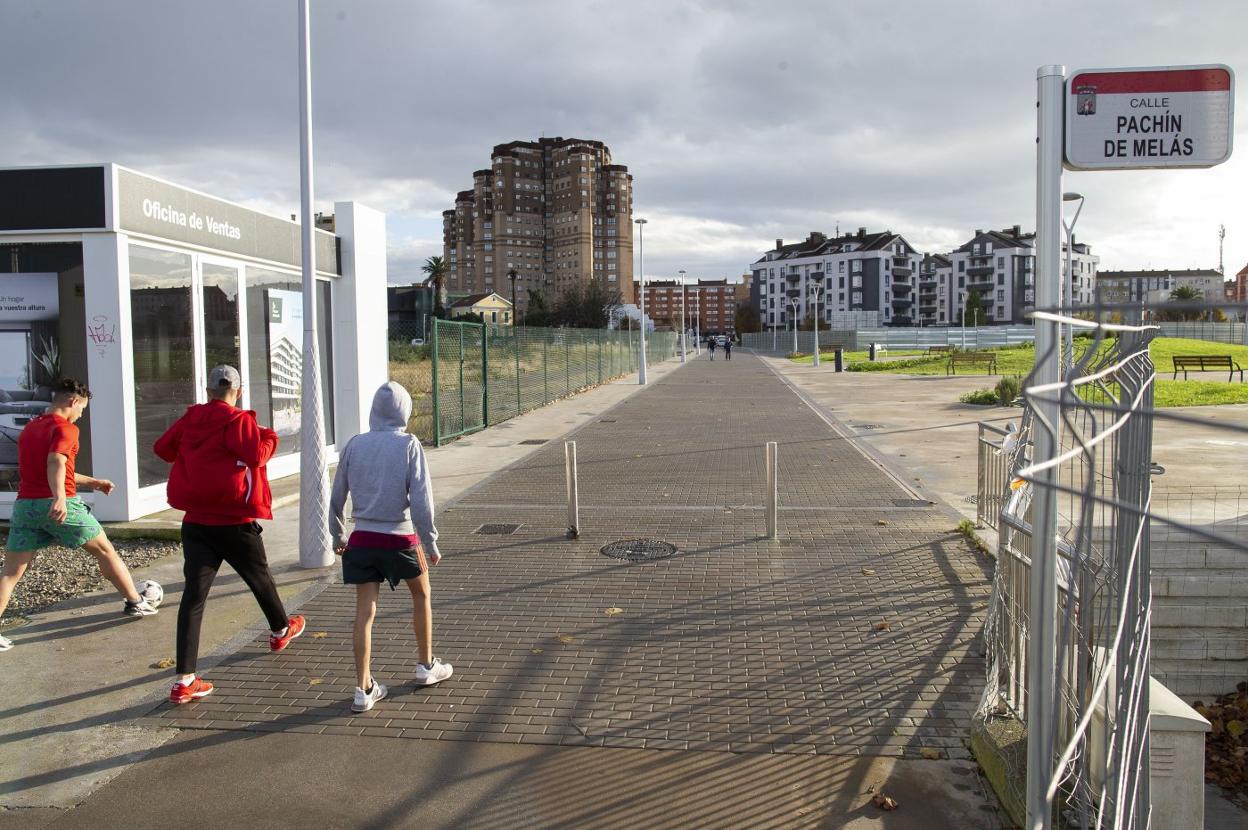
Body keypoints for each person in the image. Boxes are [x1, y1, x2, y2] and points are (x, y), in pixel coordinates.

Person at [154, 365, 305, 704]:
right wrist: (269, 436)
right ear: (237, 391)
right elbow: (257, 456)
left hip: (196, 523)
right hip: (234, 522)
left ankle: (184, 680)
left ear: (208, 390)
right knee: (260, 578)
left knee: (193, 598)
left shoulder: (190, 419)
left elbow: (162, 449)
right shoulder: (239, 422)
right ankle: (281, 630)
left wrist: (196, 458)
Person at [1, 379, 159, 651]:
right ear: (73, 402)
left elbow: (51, 468)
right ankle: (135, 602)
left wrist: (94, 482)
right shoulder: (66, 428)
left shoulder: (31, 428)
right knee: (106, 551)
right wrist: (60, 497)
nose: (81, 416)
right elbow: (56, 462)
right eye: (82, 410)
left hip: (25, 505)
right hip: (58, 503)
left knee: (11, 572)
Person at [330, 381, 452, 713]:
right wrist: (431, 543)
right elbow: (422, 502)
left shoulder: (355, 445)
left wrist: (338, 536)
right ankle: (426, 666)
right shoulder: (409, 444)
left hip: (363, 540)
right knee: (422, 595)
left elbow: (337, 496)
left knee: (364, 614)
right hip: (400, 539)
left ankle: (364, 688)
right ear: (405, 411)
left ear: (374, 410)